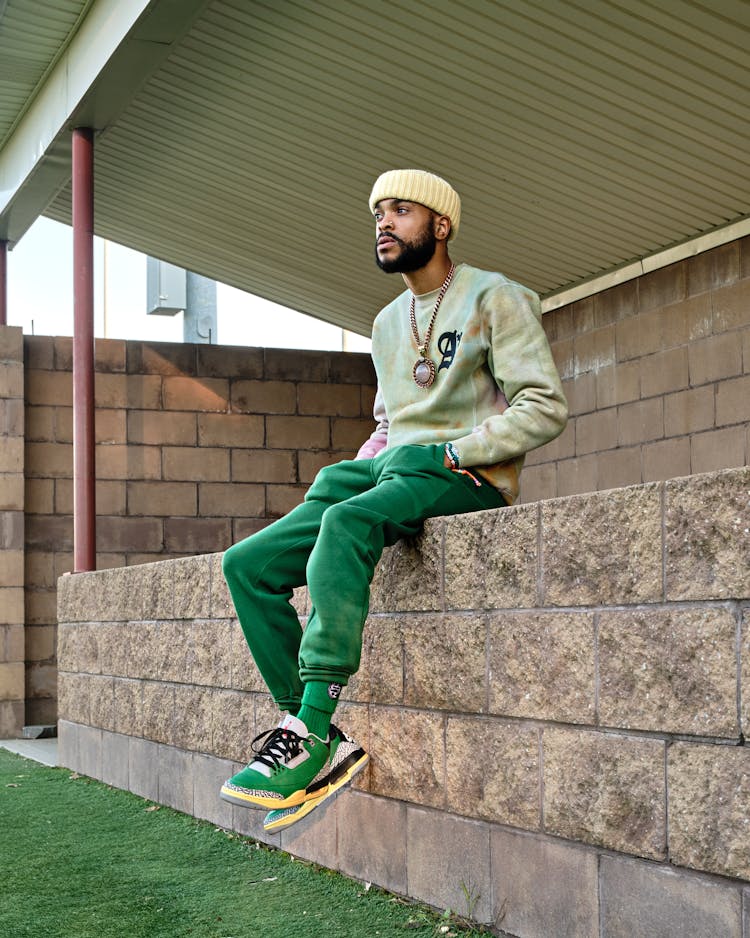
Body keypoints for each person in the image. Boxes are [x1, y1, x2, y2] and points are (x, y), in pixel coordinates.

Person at [220, 169, 568, 831]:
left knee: (348, 523)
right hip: (395, 476)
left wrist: (450, 452)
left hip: (465, 478)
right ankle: (316, 732)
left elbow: (544, 407)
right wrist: (357, 471)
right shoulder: (385, 321)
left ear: (440, 225)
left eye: (401, 211)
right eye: (378, 212)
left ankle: (312, 729)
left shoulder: (496, 297)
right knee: (247, 565)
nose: (383, 222)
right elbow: (388, 426)